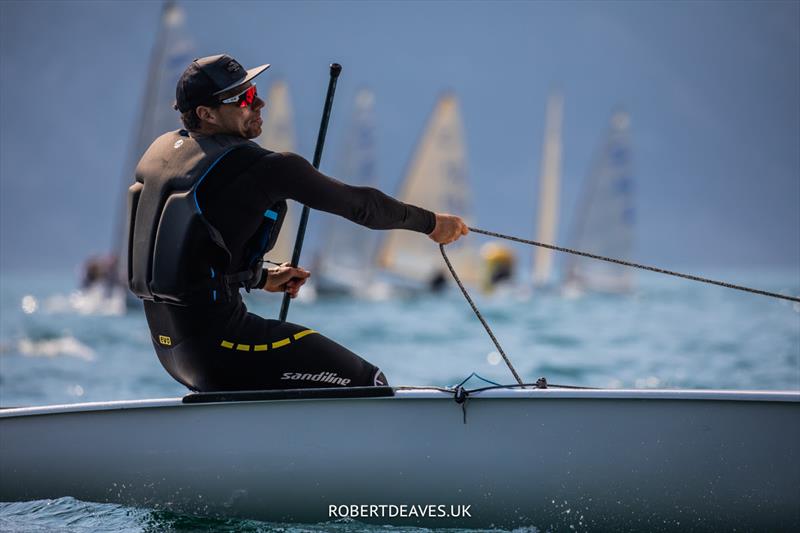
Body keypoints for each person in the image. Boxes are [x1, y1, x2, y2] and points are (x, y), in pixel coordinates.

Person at [126, 54, 468, 392]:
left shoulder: (159, 155)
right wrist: (432, 223)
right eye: (243, 98)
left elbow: (193, 250)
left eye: (254, 90)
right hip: (224, 348)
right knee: (368, 383)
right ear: (206, 114)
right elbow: (362, 206)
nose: (258, 102)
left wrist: (261, 277)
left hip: (171, 351)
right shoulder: (265, 167)